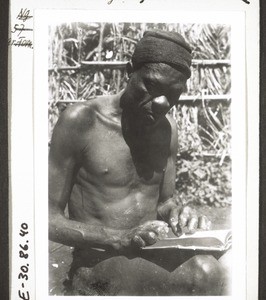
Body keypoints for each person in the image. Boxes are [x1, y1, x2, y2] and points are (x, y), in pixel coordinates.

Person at [49, 30, 230, 296]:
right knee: (205, 274)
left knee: (237, 262)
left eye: (173, 94)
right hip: (98, 260)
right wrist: (117, 238)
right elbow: (46, 218)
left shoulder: (167, 129)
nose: (161, 103)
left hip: (150, 253)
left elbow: (165, 203)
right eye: (152, 86)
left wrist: (179, 213)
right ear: (128, 71)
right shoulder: (81, 122)